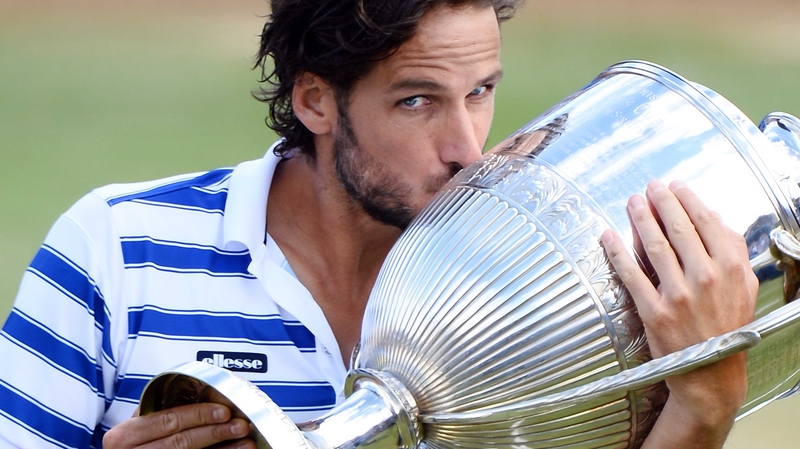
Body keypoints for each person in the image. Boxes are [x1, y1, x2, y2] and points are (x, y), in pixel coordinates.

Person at [0, 0, 757, 448]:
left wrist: (703, 405)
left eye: (483, 90)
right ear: (315, 102)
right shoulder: (116, 249)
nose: (468, 148)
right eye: (417, 101)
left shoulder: (540, 293)